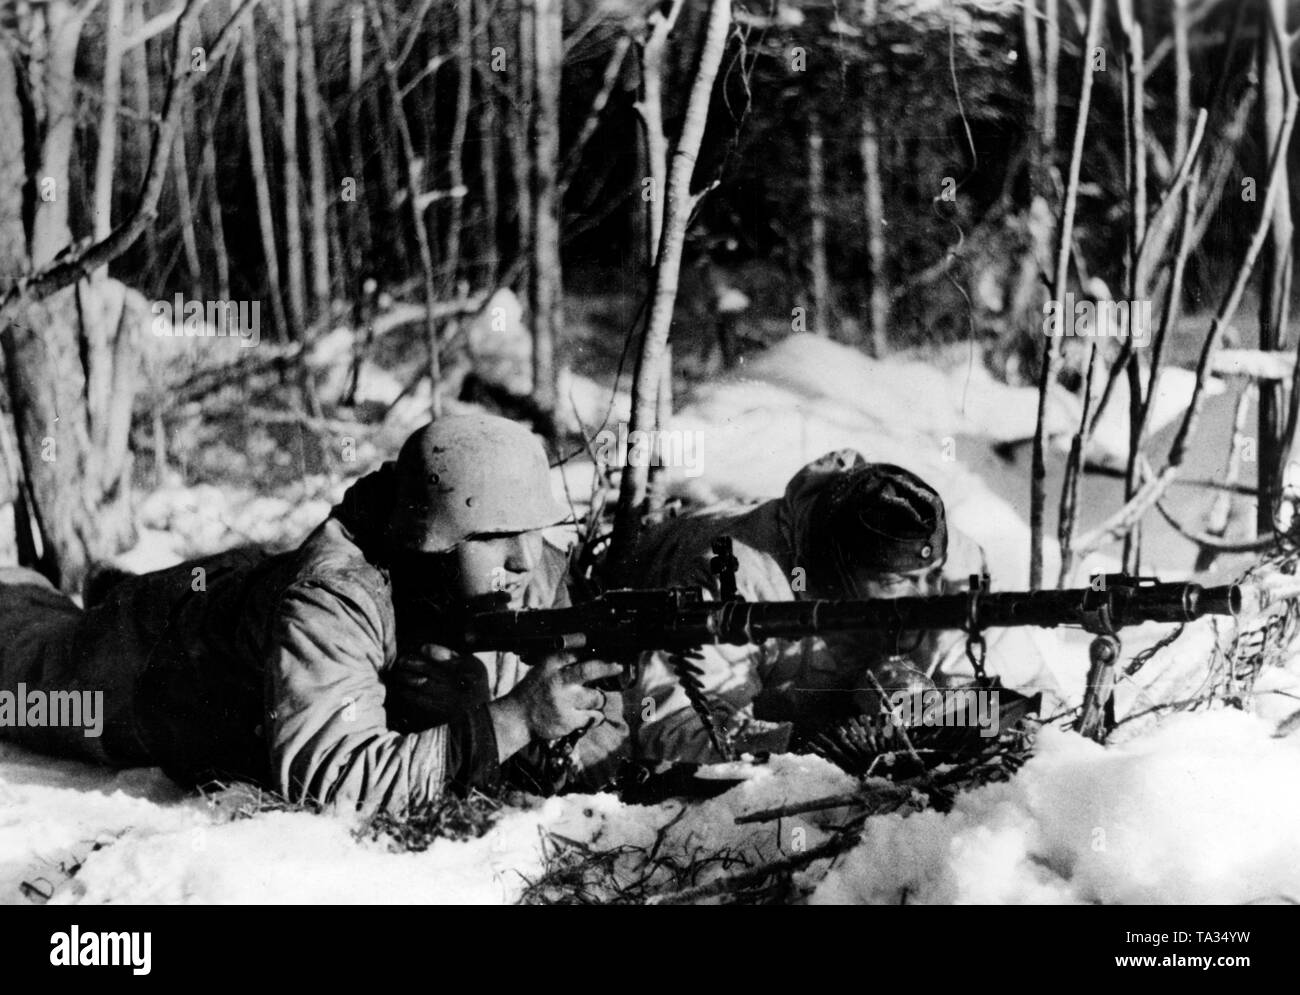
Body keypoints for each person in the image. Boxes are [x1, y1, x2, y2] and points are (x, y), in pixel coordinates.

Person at [0, 414, 624, 815]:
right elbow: (335, 783)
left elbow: (600, 742)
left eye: (533, 533)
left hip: (245, 591)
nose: (525, 561)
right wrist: (511, 719)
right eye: (495, 537)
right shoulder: (333, 600)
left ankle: (108, 584)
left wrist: (524, 723)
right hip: (158, 665)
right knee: (23, 658)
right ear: (430, 542)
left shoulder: (521, 561)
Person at [623, 449, 1060, 763]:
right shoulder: (733, 580)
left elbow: (1033, 704)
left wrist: (934, 708)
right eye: (899, 582)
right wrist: (829, 739)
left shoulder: (943, 560)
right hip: (662, 557)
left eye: (930, 575)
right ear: (839, 572)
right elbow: (673, 729)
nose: (928, 594)